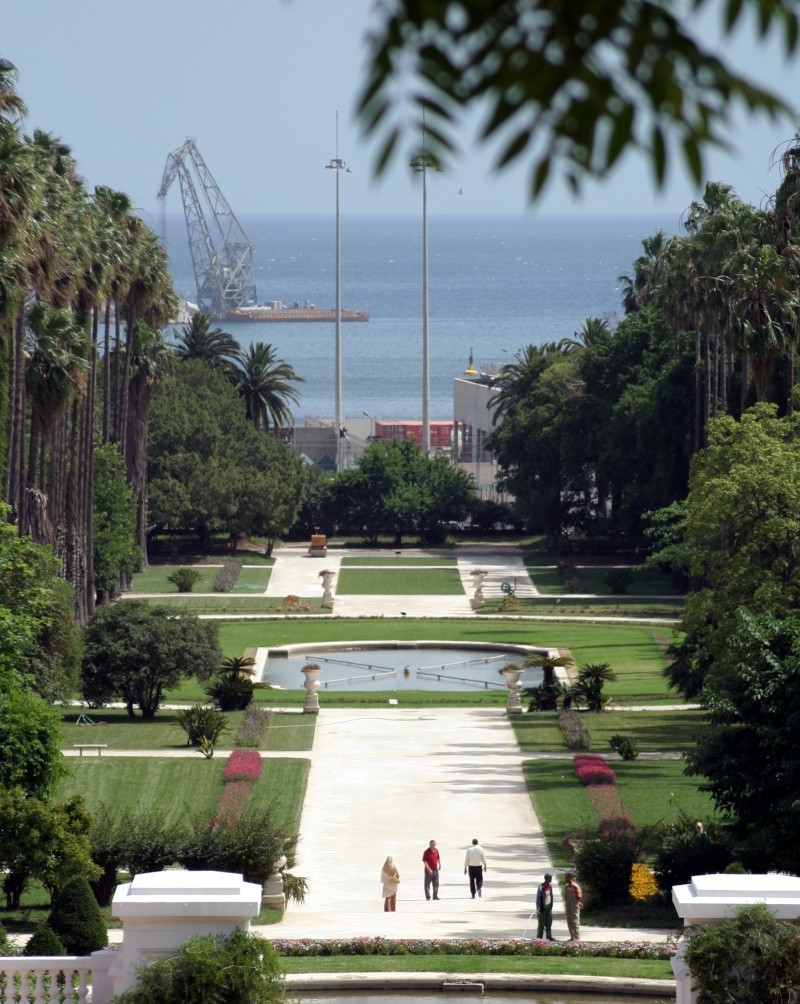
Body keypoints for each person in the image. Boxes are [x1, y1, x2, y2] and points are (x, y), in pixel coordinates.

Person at [564, 871, 583, 941]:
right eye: (565, 877)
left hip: (574, 906)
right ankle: (572, 937)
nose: (565, 878)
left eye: (566, 877)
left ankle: (577, 938)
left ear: (570, 877)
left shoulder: (575, 886)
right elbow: (565, 896)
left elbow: (579, 895)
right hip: (568, 905)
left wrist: (578, 902)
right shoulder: (566, 886)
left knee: (574, 921)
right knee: (569, 921)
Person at [536, 872, 554, 940]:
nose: (551, 879)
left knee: (549, 922)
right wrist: (538, 908)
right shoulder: (541, 887)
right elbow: (538, 899)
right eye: (550, 878)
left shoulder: (550, 886)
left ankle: (549, 937)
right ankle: (539, 938)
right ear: (547, 878)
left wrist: (551, 905)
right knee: (541, 924)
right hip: (543, 907)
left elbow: (551, 896)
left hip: (549, 906)